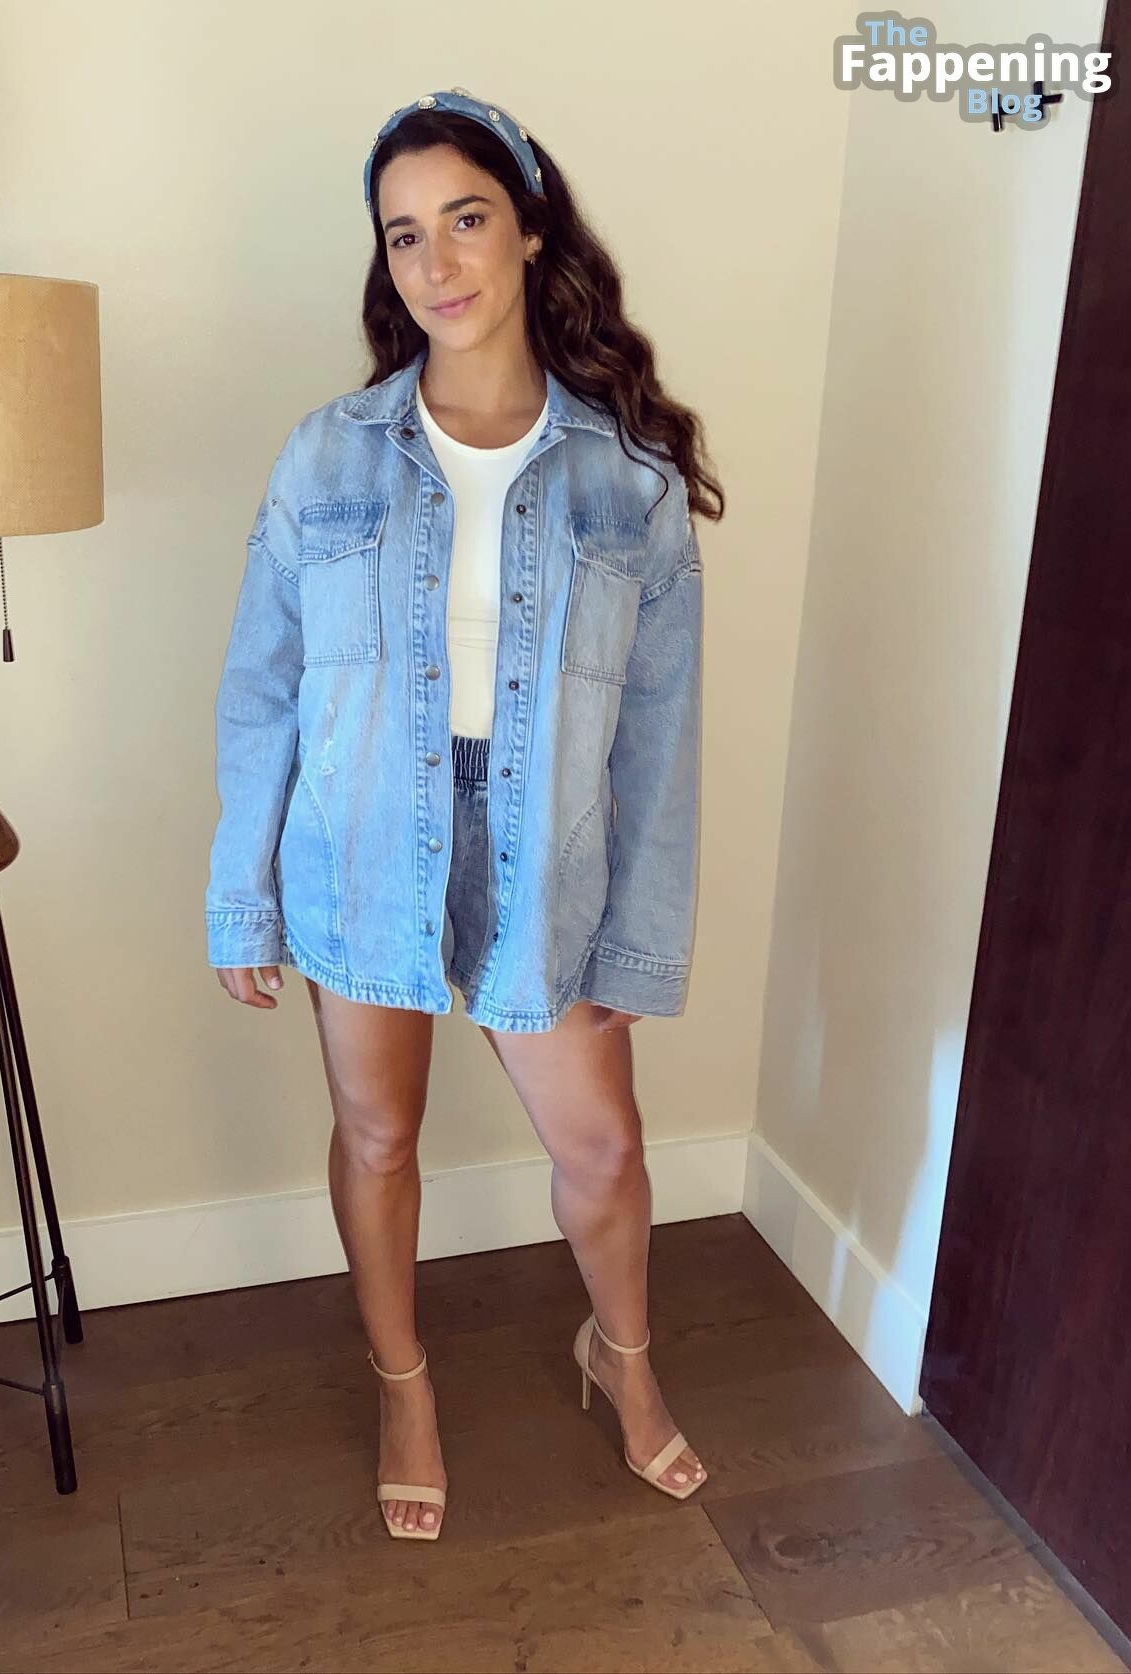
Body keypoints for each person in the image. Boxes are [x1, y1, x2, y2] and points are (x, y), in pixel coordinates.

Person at [206, 88, 724, 1542]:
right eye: (404, 235)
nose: (436, 262)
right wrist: (243, 893)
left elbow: (661, 738)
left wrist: (636, 942)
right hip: (362, 838)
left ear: (530, 230)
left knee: (601, 1148)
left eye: (467, 219)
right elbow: (261, 688)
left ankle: (621, 1358)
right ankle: (403, 1383)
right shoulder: (326, 456)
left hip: (545, 848)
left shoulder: (628, 477)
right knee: (377, 1136)